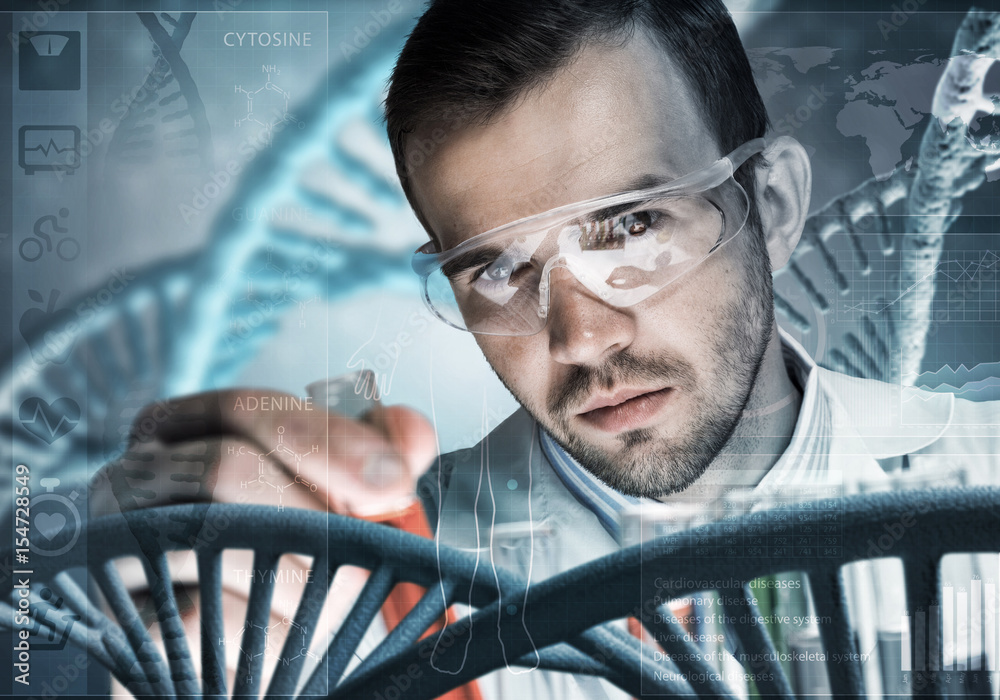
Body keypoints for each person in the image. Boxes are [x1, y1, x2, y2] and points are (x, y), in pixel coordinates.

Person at [92, 0, 1000, 696]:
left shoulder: (984, 486)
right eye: (495, 270)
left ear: (771, 208)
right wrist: (143, 637)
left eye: (632, 226)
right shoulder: (377, 582)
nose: (580, 338)